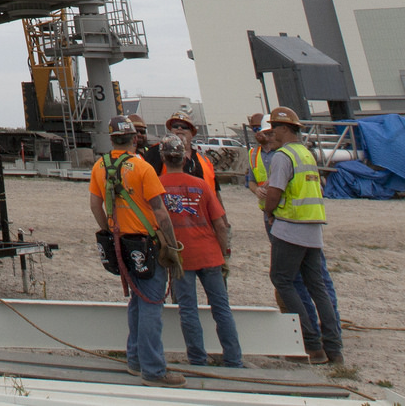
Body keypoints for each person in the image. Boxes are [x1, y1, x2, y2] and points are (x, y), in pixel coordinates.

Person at [88, 116, 187, 388]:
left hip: (122, 244)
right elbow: (160, 212)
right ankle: (153, 371)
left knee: (137, 301)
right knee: (152, 305)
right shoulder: (143, 168)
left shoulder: (100, 166)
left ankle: (135, 361)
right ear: (134, 138)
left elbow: (96, 206)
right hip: (147, 242)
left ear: (111, 139)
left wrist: (110, 229)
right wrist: (172, 246)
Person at [255, 107, 344, 365]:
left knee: (282, 279)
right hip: (312, 228)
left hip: (290, 226)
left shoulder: (283, 157)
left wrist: (269, 212)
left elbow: (275, 193)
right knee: (317, 286)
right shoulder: (306, 153)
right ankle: (334, 348)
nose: (271, 132)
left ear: (284, 129)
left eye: (274, 128)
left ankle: (311, 344)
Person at [160, 115, 243, 370]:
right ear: (184, 158)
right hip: (209, 254)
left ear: (163, 159)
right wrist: (224, 254)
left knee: (188, 309)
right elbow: (220, 224)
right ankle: (233, 359)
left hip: (180, 257)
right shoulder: (201, 186)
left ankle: (197, 360)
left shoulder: (157, 187)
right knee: (221, 308)